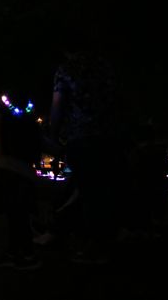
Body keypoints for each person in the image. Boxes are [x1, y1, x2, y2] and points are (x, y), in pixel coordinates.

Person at [49, 43, 118, 264]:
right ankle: (105, 240)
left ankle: (91, 244)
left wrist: (54, 134)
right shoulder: (104, 67)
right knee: (102, 190)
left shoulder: (67, 70)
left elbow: (58, 106)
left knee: (86, 191)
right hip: (107, 136)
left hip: (81, 138)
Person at [0, 93, 43, 271]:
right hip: (26, 174)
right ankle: (23, 253)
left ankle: (21, 255)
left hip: (7, 172)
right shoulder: (30, 124)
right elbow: (44, 143)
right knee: (22, 215)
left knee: (15, 217)